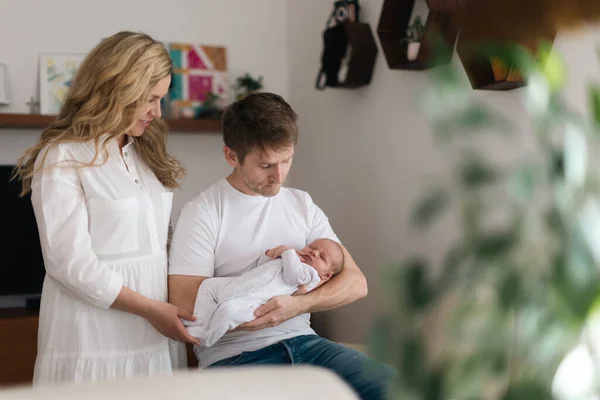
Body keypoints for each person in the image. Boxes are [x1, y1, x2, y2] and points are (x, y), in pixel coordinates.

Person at [168, 92, 396, 399]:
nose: (279, 176)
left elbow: (356, 283)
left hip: (307, 344)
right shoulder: (203, 212)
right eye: (265, 165)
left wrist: (295, 306)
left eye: (286, 160)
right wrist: (258, 302)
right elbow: (185, 305)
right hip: (237, 357)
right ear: (231, 156)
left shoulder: (301, 205)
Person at [14, 31, 199, 386]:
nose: (157, 112)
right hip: (93, 334)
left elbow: (158, 241)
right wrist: (149, 309)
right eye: (149, 99)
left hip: (155, 331)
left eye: (161, 99)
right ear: (118, 87)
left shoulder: (144, 151)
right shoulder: (63, 156)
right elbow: (68, 264)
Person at [185, 238, 344, 347]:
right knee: (208, 285)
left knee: (227, 310)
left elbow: (292, 276)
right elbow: (260, 267)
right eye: (312, 247)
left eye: (322, 257)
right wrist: (270, 255)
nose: (314, 252)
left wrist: (287, 252)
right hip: (238, 285)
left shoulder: (310, 275)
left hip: (252, 302)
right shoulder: (291, 259)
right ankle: (199, 322)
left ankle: (206, 337)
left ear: (326, 275)